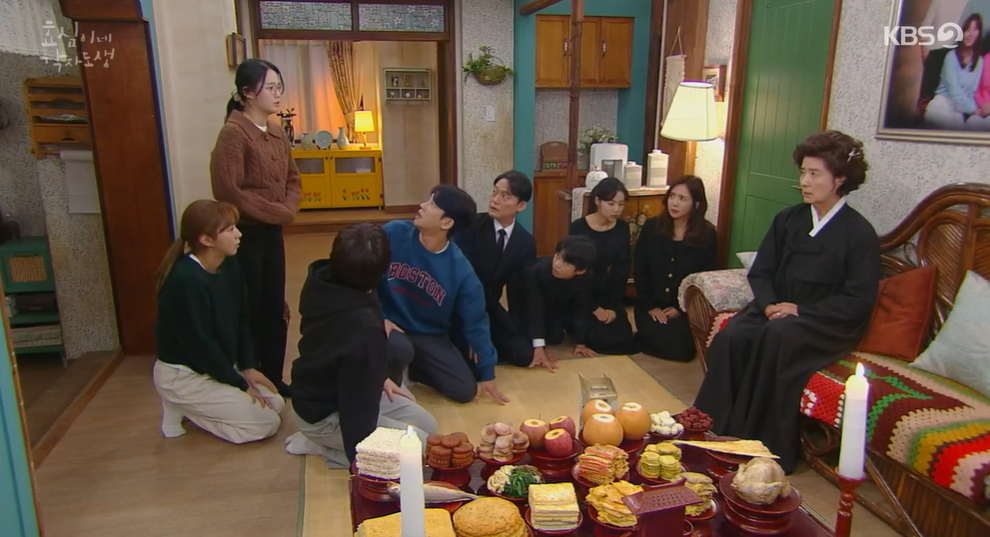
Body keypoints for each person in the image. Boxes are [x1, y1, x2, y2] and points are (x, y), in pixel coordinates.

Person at [693, 130, 880, 473]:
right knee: (733, 335)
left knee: (777, 336)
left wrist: (801, 310)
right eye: (803, 172)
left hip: (824, 321)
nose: (804, 182)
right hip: (776, 306)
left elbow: (858, 298)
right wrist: (768, 306)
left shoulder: (859, 233)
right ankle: (708, 427)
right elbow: (762, 272)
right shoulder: (788, 220)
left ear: (840, 179)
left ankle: (757, 443)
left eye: (814, 174)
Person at [284, 223, 438, 467]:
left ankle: (329, 441)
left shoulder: (326, 279)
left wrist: (380, 378)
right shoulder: (362, 332)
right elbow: (357, 419)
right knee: (420, 453)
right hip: (323, 414)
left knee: (429, 427)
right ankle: (322, 446)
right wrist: (361, 460)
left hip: (338, 389)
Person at [152, 200, 284, 444]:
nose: (239, 234)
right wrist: (239, 384)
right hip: (186, 375)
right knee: (267, 423)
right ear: (206, 240)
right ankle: (180, 402)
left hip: (215, 366)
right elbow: (200, 346)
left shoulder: (229, 265)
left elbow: (242, 319)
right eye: (230, 229)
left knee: (276, 403)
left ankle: (189, 405)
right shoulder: (185, 281)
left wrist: (248, 367)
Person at [211, 58, 300, 397]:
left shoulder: (276, 132)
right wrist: (278, 212)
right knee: (250, 307)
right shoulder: (233, 134)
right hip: (245, 235)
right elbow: (229, 191)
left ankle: (274, 377)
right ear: (248, 93)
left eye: (279, 87)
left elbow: (293, 179)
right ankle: (251, 377)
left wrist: (287, 210)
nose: (277, 94)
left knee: (275, 307)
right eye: (270, 88)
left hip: (273, 233)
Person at [379, 185, 510, 405]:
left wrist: (487, 373)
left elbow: (476, 321)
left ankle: (412, 368)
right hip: (387, 323)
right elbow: (364, 276)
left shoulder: (461, 270)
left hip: (427, 334)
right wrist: (378, 316)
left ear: (447, 223)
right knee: (399, 348)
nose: (422, 206)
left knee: (464, 390)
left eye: (432, 205)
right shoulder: (394, 232)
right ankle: (390, 372)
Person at [452, 172, 546, 370]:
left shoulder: (525, 242)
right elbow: (455, 279)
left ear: (521, 205)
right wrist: (472, 332)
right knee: (474, 364)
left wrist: (538, 343)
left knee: (524, 355)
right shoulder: (471, 226)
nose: (495, 200)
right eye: (494, 192)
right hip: (460, 307)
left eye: (505, 196)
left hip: (489, 307)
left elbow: (529, 290)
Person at [634, 176, 718, 362]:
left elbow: (705, 277)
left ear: (696, 204)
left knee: (682, 350)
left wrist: (681, 308)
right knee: (653, 334)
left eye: (682, 199)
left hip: (684, 309)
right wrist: (651, 306)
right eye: (672, 196)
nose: (675, 203)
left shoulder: (707, 234)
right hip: (651, 305)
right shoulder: (652, 227)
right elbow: (640, 269)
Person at [568, 178, 640, 356]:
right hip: (579, 288)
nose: (616, 209)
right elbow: (574, 270)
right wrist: (595, 308)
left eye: (621, 204)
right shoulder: (579, 227)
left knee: (623, 340)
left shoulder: (622, 228)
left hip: (605, 289)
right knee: (594, 338)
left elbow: (621, 270)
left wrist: (611, 307)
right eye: (611, 203)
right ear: (597, 201)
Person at [522, 236, 598, 361]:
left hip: (559, 306)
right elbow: (535, 307)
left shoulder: (586, 277)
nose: (557, 264)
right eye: (557, 256)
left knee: (558, 337)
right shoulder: (537, 271)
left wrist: (581, 343)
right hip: (527, 304)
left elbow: (581, 307)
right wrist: (539, 346)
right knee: (545, 338)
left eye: (565, 263)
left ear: (580, 271)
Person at [924, 14, 987, 129]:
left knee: (968, 123)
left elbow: (972, 92)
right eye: (967, 30)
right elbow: (954, 91)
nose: (970, 34)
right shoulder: (951, 57)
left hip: (960, 110)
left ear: (979, 34)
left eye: (974, 30)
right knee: (957, 124)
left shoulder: (980, 61)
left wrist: (977, 110)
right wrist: (974, 110)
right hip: (942, 103)